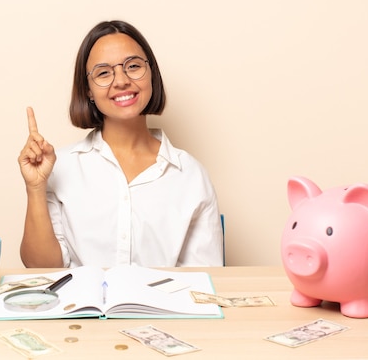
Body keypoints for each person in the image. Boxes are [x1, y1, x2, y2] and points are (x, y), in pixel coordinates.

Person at [18, 20, 223, 268]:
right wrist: (36, 188)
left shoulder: (191, 175)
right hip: (82, 307)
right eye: (104, 72)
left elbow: (205, 281)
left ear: (151, 74)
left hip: (163, 307)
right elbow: (42, 269)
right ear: (88, 91)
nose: (121, 81)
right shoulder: (60, 168)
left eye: (133, 66)